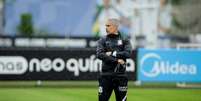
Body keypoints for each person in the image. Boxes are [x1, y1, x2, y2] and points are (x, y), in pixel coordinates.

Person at [96, 18, 132, 101]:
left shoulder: (124, 39)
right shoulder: (102, 40)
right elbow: (99, 54)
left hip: (120, 76)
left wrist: (112, 53)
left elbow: (128, 53)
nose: (106, 28)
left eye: (108, 26)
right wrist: (117, 60)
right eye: (106, 26)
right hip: (106, 76)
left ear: (115, 26)